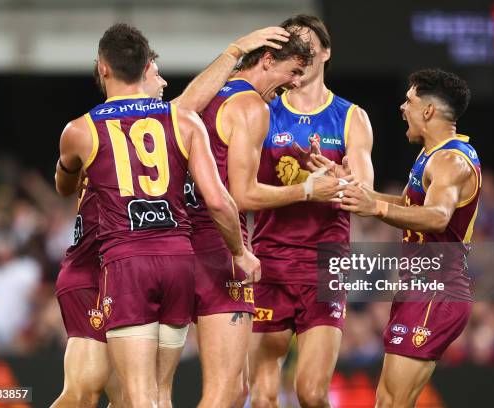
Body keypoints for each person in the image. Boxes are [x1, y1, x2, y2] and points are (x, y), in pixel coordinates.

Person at [54, 23, 261, 408]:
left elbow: (64, 187)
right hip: (179, 262)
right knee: (161, 394)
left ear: (103, 67)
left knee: (137, 398)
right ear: (147, 66)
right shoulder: (184, 120)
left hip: (128, 263)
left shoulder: (80, 130)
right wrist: (239, 252)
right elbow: (218, 200)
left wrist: (70, 173)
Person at [184, 25, 347, 408]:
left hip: (176, 239)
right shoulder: (254, 107)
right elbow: (242, 195)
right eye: (291, 72)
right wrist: (309, 188)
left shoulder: (207, 94)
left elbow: (179, 109)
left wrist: (235, 47)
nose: (293, 84)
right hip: (220, 245)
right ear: (268, 59)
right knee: (227, 391)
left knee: (148, 391)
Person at [246, 15, 374, 408]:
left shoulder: (351, 117)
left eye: (307, 43)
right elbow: (244, 193)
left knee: (312, 393)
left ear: (326, 51)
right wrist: (304, 189)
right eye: (292, 44)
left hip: (326, 263)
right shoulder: (264, 112)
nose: (300, 51)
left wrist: (338, 177)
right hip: (271, 260)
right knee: (263, 395)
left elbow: (365, 197)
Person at [336, 68, 478, 408]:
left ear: (428, 110)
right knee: (387, 399)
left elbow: (438, 217)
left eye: (409, 101)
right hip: (419, 287)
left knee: (392, 403)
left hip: (437, 289)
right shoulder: (431, 154)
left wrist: (377, 210)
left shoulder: (450, 161)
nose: (402, 107)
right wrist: (357, 192)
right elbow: (409, 205)